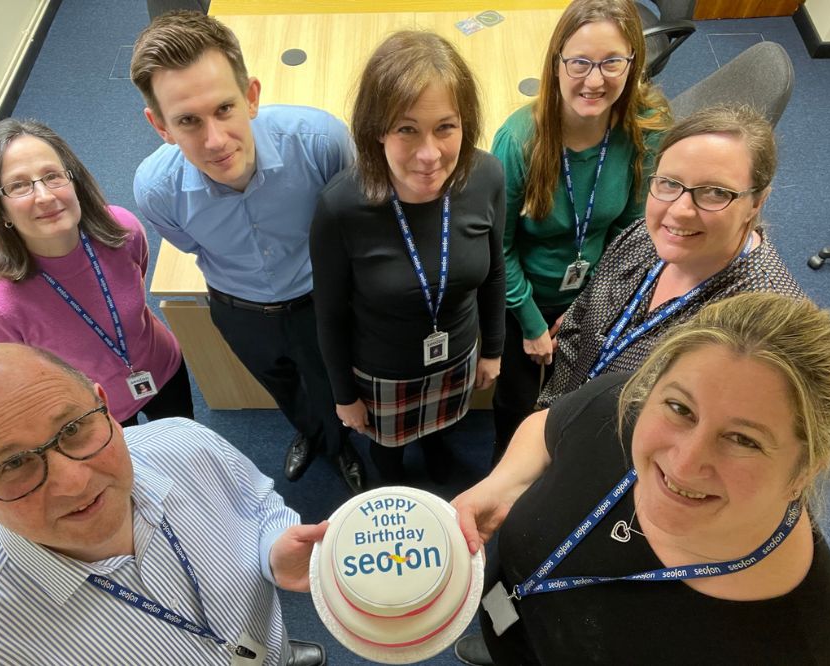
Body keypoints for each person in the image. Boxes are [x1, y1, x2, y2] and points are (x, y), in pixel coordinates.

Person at [452, 293, 830, 665]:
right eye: (680, 409)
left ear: (805, 471)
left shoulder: (812, 649)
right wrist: (499, 485)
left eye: (743, 439)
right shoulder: (621, 409)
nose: (684, 465)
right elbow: (547, 430)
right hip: (517, 626)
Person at [0, 343, 328, 666]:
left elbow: (257, 501)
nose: (75, 482)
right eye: (14, 464)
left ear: (107, 408)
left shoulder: (186, 442)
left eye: (73, 429)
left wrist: (272, 550)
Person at [131, 10, 364, 493]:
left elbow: (353, 225)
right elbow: (192, 247)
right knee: (279, 385)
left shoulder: (321, 143)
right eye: (188, 121)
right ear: (160, 126)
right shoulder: (156, 190)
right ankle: (310, 432)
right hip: (238, 308)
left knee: (330, 383)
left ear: (251, 96)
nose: (215, 141)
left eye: (224, 110)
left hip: (319, 299)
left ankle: (339, 446)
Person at [309, 31, 505, 484]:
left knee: (444, 437)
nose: (429, 155)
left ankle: (437, 461)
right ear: (377, 129)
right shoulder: (340, 207)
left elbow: (493, 274)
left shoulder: (487, 175)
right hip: (383, 373)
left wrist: (492, 350)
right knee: (388, 457)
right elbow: (330, 315)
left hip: (457, 355)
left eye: (445, 127)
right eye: (406, 129)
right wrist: (344, 396)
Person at [490, 0, 671, 460]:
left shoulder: (644, 131)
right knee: (516, 401)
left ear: (632, 64)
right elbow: (499, 247)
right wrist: (532, 324)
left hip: (594, 292)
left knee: (575, 400)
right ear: (556, 64)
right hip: (523, 298)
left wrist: (593, 304)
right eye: (580, 63)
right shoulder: (520, 141)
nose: (595, 80)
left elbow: (631, 232)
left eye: (612, 62)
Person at [535, 103, 803, 411]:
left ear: (757, 202)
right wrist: (551, 417)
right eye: (669, 183)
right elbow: (584, 315)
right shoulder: (648, 235)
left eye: (715, 192)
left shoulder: (768, 330)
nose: (679, 211)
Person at [0, 118, 193, 427]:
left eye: (52, 176)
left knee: (187, 447)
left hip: (162, 368)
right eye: (19, 186)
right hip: (91, 411)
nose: (44, 196)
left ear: (74, 181)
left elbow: (136, 281)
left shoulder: (122, 229)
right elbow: (17, 381)